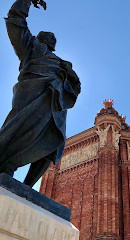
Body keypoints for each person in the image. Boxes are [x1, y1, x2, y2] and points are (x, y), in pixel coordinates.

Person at [0, 0, 81, 187]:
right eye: (48, 36)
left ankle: (26, 187)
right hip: (31, 95)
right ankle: (6, 168)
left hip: (55, 105)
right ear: (40, 38)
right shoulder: (31, 47)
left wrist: (68, 82)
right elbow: (15, 20)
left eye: (54, 38)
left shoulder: (63, 63)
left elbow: (76, 86)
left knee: (53, 144)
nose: (53, 38)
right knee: (15, 132)